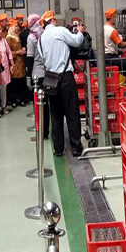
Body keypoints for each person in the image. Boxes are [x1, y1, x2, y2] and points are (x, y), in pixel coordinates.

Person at [38, 10, 86, 157]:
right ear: (53, 20)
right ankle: (76, 147)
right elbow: (76, 42)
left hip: (50, 79)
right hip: (65, 77)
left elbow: (42, 57)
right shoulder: (60, 31)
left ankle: (58, 148)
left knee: (56, 114)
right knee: (72, 112)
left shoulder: (40, 39)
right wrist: (80, 32)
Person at [103, 8, 126, 81]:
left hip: (104, 56)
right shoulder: (112, 30)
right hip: (109, 57)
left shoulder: (104, 27)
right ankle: (120, 84)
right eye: (115, 17)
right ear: (112, 17)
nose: (116, 19)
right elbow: (120, 44)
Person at [6, 20, 26, 108]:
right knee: (13, 83)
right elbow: (8, 52)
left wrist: (23, 50)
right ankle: (13, 100)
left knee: (21, 82)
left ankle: (21, 99)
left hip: (20, 62)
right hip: (13, 63)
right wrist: (18, 52)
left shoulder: (18, 36)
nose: (17, 28)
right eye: (15, 27)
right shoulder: (9, 38)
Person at [0, 23, 13, 114]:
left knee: (4, 87)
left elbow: (9, 52)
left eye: (1, 30)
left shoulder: (4, 40)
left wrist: (12, 64)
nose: (0, 31)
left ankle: (3, 106)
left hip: (4, 67)